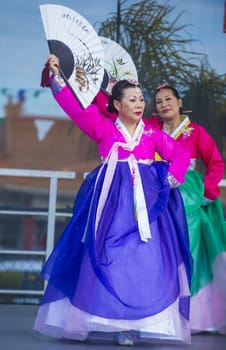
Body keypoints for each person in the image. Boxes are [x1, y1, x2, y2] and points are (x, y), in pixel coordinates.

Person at [34, 55, 193, 345]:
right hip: (109, 208)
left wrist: (174, 176)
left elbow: (180, 154)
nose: (139, 104)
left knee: (143, 261)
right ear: (117, 105)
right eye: (131, 100)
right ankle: (104, 320)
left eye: (141, 99)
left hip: (145, 210)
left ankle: (134, 324)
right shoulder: (104, 129)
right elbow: (74, 107)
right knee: (107, 258)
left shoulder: (153, 135)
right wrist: (56, 75)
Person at [151, 84, 226, 335]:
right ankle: (161, 314)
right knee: (160, 253)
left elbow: (215, 163)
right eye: (159, 101)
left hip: (187, 200)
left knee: (188, 254)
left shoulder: (196, 132)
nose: (164, 104)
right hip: (159, 196)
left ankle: (187, 315)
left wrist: (205, 191)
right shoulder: (152, 128)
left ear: (180, 102)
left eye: (169, 99)